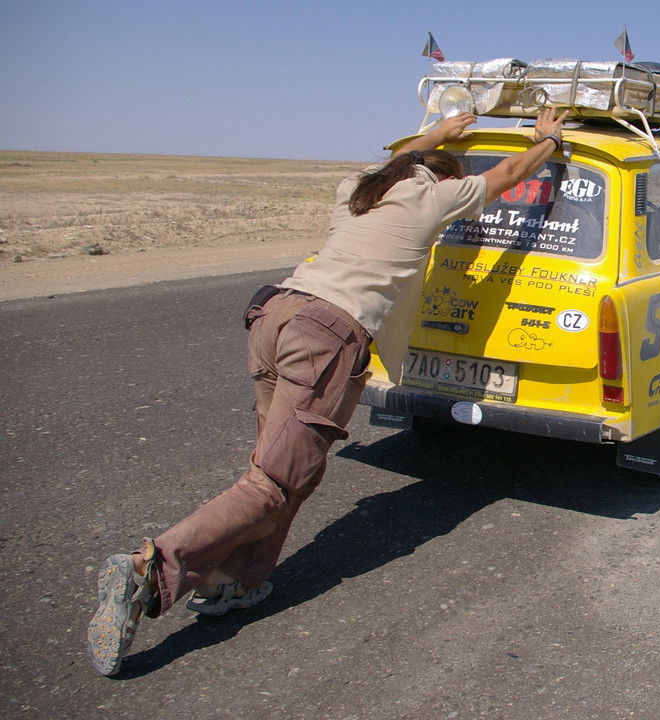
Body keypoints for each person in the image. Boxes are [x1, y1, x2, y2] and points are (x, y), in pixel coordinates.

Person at [87, 107, 571, 676]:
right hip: (326, 337)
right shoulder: (433, 197)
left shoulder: (359, 193)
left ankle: (235, 580)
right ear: (440, 178)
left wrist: (437, 134)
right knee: (272, 483)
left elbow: (397, 163)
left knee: (284, 468)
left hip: (275, 315)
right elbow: (510, 173)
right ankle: (149, 570)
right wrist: (548, 141)